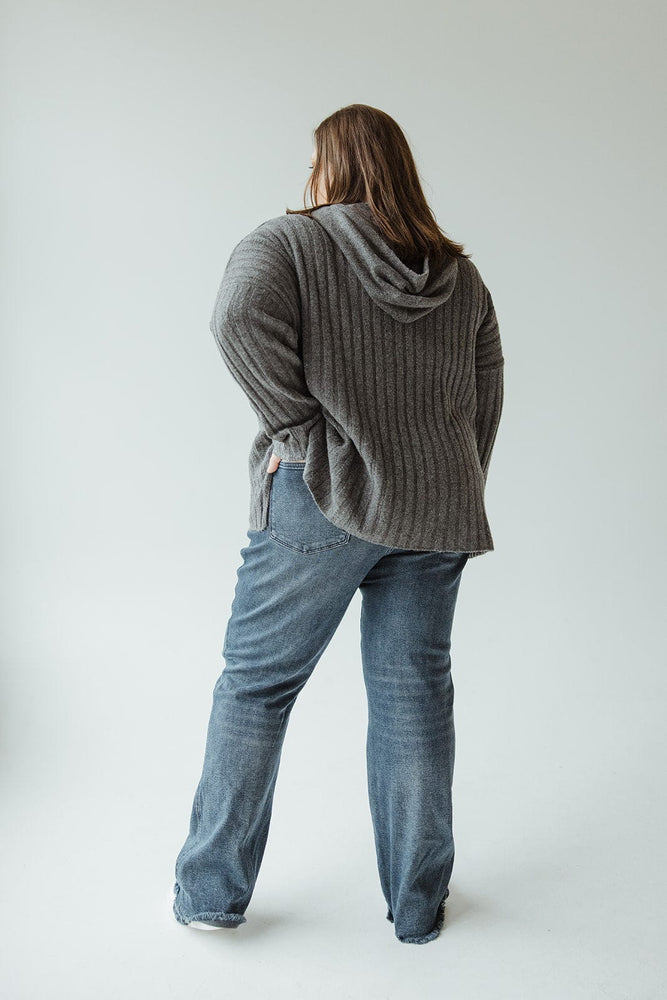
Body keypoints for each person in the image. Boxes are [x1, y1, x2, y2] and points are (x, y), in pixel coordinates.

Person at [171, 103, 505, 945]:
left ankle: (211, 897)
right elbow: (485, 388)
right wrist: (449, 476)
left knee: (255, 686)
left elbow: (232, 317)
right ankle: (419, 907)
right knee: (413, 696)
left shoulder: (289, 242)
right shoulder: (457, 274)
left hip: (321, 497)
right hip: (434, 508)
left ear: (331, 166)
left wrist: (301, 433)